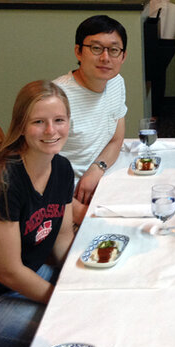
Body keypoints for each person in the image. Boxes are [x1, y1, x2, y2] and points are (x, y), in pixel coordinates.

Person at [0, 80, 75, 347]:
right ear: (20, 125)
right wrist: (61, 298)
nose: (51, 131)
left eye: (59, 120)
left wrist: (78, 279)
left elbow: (63, 237)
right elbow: (7, 271)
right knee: (71, 331)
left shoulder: (62, 167)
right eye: (38, 122)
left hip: (30, 272)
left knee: (98, 302)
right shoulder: (4, 179)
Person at [54, 15, 128, 224]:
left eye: (114, 50)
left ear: (123, 56)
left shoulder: (116, 82)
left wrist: (97, 168)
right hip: (67, 201)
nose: (105, 58)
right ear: (78, 51)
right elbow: (37, 173)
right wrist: (83, 215)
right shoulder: (57, 98)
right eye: (96, 48)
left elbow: (116, 139)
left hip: (102, 182)